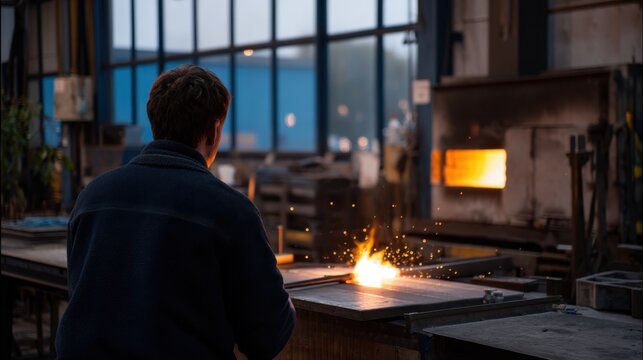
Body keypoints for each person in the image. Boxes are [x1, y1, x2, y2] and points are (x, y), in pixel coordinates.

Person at [56, 65, 295, 359]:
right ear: (215, 130)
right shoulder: (230, 211)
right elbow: (267, 337)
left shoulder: (91, 198)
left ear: (154, 122)